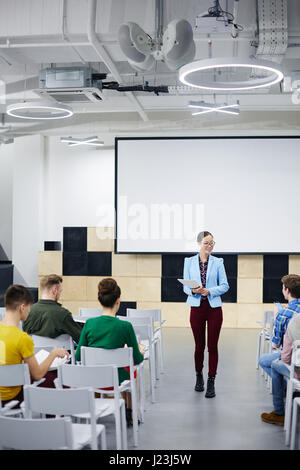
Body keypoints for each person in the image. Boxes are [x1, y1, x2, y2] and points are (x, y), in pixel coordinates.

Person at [75, 277, 144, 425]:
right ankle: (129, 413)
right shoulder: (125, 326)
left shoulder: (89, 324)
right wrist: (141, 351)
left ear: (100, 300)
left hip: (92, 378)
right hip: (116, 380)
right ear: (118, 301)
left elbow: (78, 355)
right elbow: (137, 360)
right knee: (129, 369)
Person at [0, 285, 69, 407]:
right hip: (11, 397)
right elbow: (37, 375)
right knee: (56, 380)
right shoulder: (22, 338)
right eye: (29, 308)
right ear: (22, 307)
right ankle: (55, 422)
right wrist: (53, 354)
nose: (29, 311)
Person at [183, 231, 229, 398]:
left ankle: (211, 380)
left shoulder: (218, 262)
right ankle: (198, 377)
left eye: (212, 243)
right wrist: (193, 290)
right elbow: (184, 287)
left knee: (213, 346)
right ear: (199, 243)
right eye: (206, 243)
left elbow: (225, 285)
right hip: (196, 307)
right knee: (199, 346)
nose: (209, 246)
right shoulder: (188, 262)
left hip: (214, 308)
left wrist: (209, 290)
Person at [261, 313, 300, 426]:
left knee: (275, 365)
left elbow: (286, 358)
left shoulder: (294, 321)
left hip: (298, 374)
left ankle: (279, 413)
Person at [258, 274, 300, 378]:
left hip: (291, 357)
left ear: (287, 291)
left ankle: (286, 386)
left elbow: (275, 345)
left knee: (263, 360)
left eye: (283, 288)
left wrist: (278, 316)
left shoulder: (282, 314)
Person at [23, 274, 83, 344]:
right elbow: (81, 339)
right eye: (60, 291)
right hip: (57, 354)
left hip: (32, 353)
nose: (60, 294)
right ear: (54, 290)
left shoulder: (27, 311)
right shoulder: (63, 314)